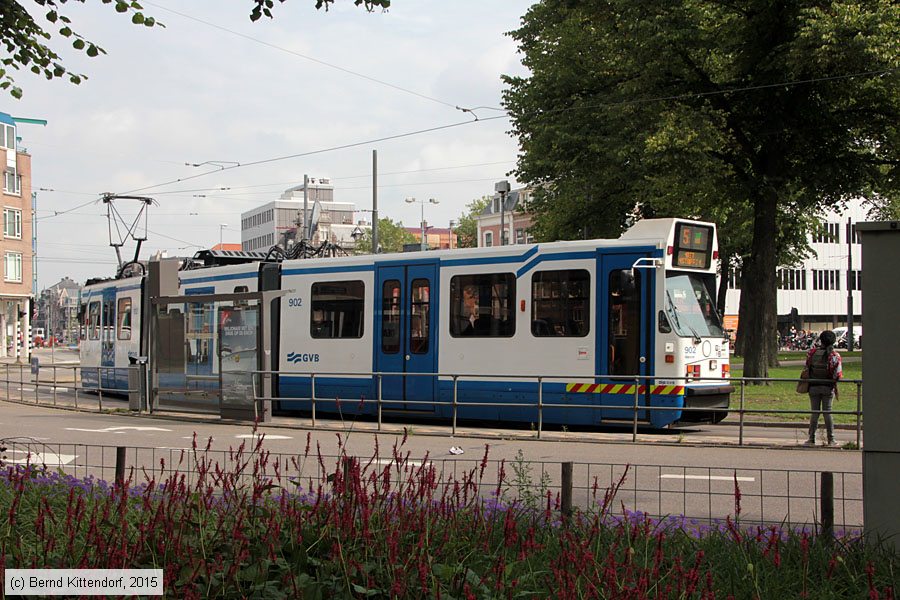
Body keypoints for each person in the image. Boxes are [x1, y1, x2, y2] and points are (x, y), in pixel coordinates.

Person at [804, 329, 843, 446]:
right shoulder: (835, 356)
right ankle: (831, 439)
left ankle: (811, 439)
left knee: (814, 412)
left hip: (813, 386)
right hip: (828, 387)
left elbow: (806, 368)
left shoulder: (811, 353)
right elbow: (838, 374)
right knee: (828, 413)